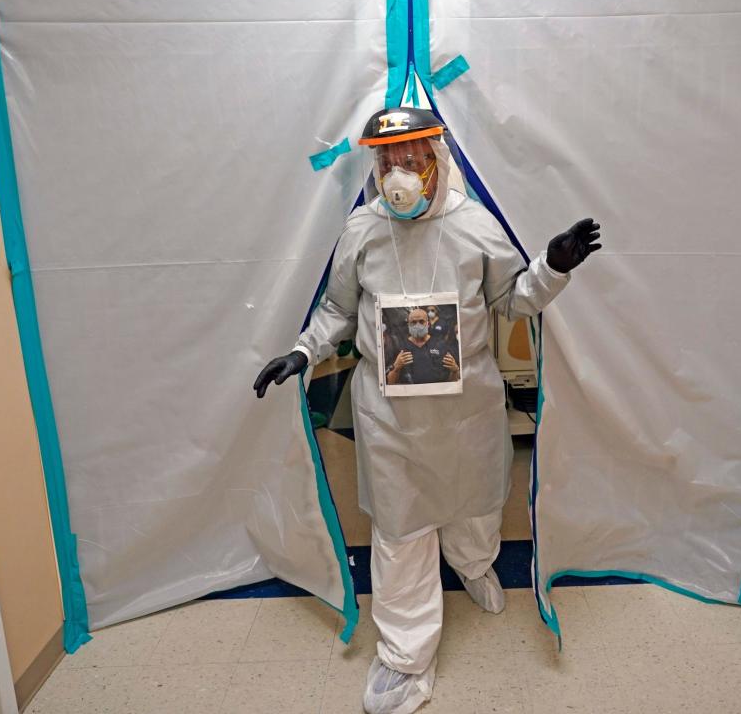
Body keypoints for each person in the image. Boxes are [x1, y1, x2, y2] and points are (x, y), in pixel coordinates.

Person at [253, 106, 600, 714]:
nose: (399, 172)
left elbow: (513, 302)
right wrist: (304, 352)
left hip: (466, 409)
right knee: (400, 529)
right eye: (388, 159)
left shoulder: (474, 228)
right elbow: (337, 310)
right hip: (390, 418)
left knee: (474, 503)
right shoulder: (362, 231)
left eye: (412, 157)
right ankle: (405, 659)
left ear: (436, 159)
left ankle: (473, 563)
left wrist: (551, 268)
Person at [386, 308, 459, 385]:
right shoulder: (401, 347)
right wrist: (396, 368)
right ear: (408, 325)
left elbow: (452, 382)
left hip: (438, 394)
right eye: (413, 322)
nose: (418, 325)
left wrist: (455, 370)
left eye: (421, 321)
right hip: (411, 395)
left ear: (428, 324)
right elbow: (390, 383)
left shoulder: (440, 345)